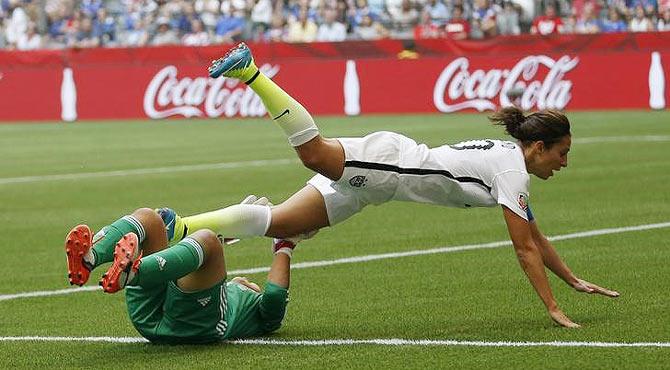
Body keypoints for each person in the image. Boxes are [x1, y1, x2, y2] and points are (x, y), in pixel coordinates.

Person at [199, 43, 621, 329]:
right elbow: (524, 247)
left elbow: (534, 234)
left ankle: (184, 227)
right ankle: (251, 72)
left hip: (378, 188)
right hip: (392, 166)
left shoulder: (510, 162)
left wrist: (571, 279)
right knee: (313, 153)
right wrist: (552, 307)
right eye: (562, 153)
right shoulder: (513, 171)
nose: (564, 162)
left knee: (278, 224)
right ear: (539, 147)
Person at [64, 195, 296, 344]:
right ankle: (89, 258)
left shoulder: (259, 312)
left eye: (253, 284)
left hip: (193, 326)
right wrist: (237, 225)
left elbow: (275, 295)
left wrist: (284, 245)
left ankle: (134, 273)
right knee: (150, 219)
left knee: (207, 239)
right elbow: (182, 261)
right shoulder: (218, 288)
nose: (246, 280)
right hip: (154, 310)